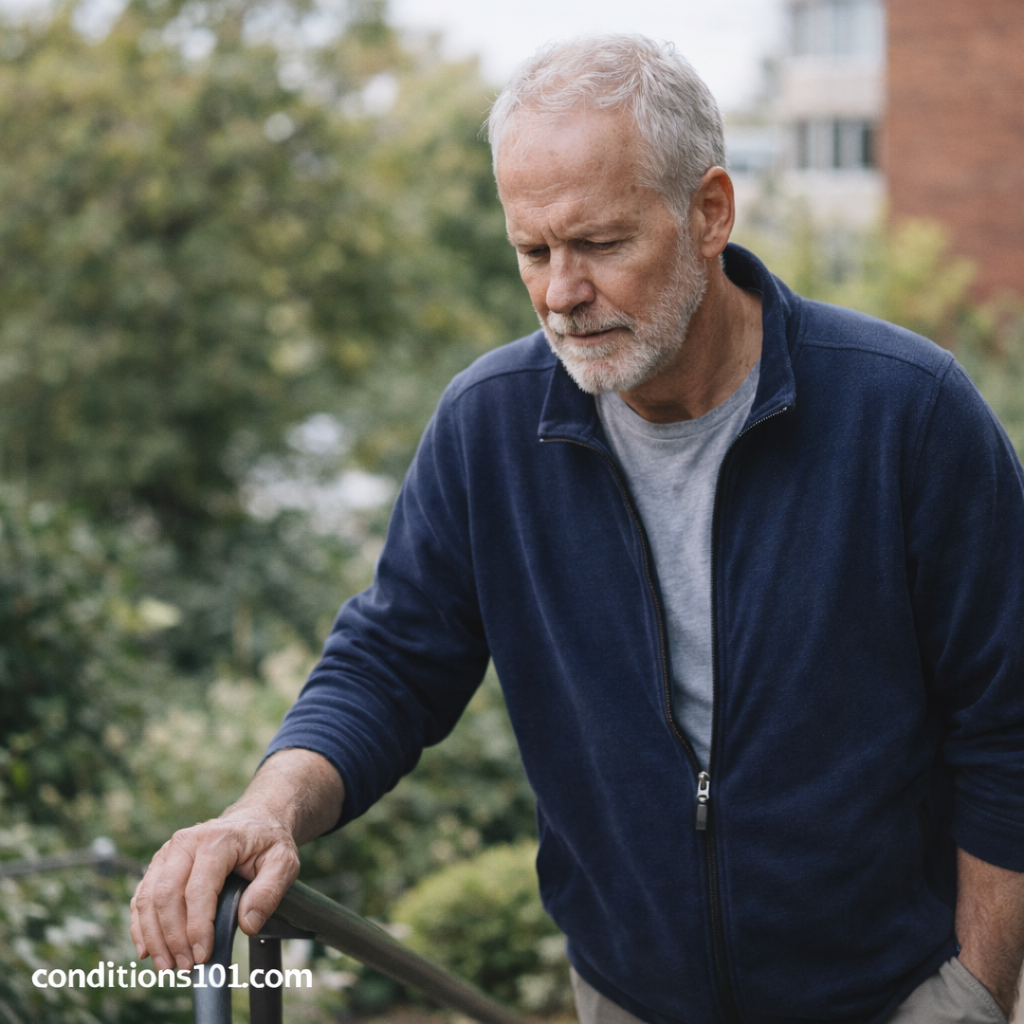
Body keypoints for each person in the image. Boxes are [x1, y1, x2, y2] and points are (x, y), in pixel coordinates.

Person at [130, 35, 1024, 1024]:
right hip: (625, 999)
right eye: (532, 250)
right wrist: (262, 810)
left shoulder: (910, 414)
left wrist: (974, 993)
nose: (560, 292)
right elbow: (389, 660)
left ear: (709, 211)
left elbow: (1007, 720)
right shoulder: (487, 427)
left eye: (598, 244)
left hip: (892, 999)